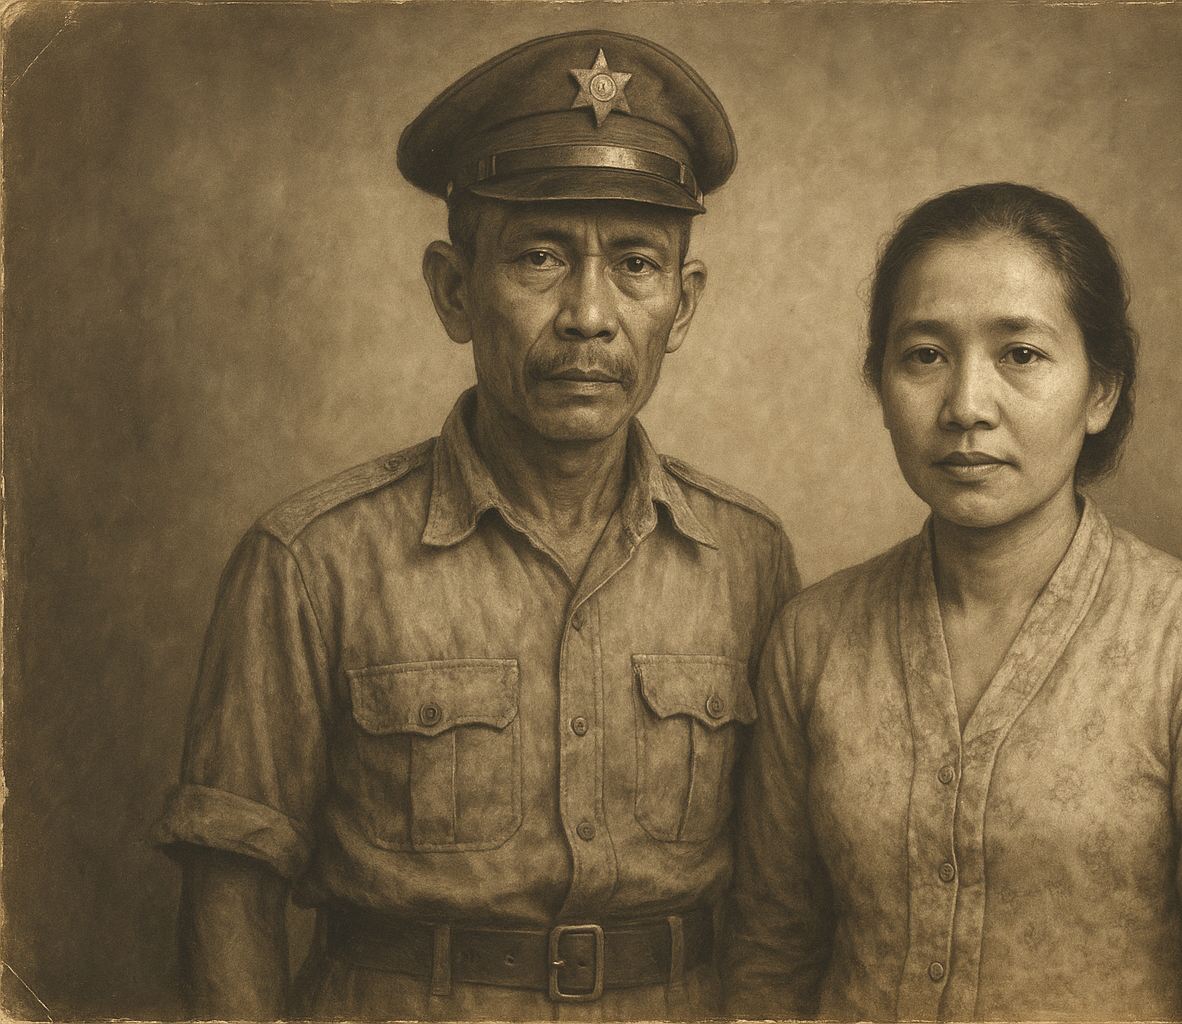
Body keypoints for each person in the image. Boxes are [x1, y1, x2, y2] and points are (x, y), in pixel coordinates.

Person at [153, 30, 799, 1021]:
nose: (589, 313)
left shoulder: (748, 557)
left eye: (636, 263)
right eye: (539, 257)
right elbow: (228, 905)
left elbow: (784, 899)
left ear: (682, 304)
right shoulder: (312, 560)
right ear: (455, 290)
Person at [724, 182, 1182, 1021]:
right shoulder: (812, 639)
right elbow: (769, 962)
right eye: (925, 355)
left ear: (1101, 391)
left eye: (1022, 355)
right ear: (879, 384)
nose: (966, 406)